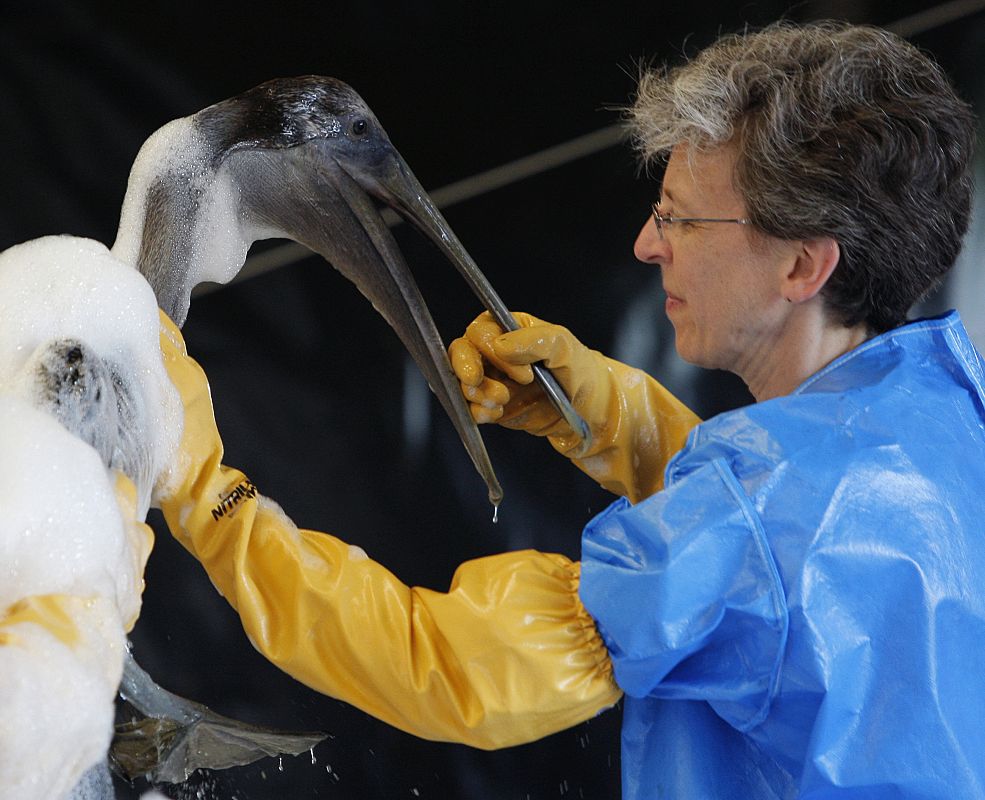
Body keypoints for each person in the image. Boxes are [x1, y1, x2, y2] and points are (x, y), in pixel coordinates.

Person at [153, 21, 984, 798]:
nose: (646, 244)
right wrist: (609, 416)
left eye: (680, 219)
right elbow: (789, 551)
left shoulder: (750, 523)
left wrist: (201, 490)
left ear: (802, 268)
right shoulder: (945, 410)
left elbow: (444, 668)